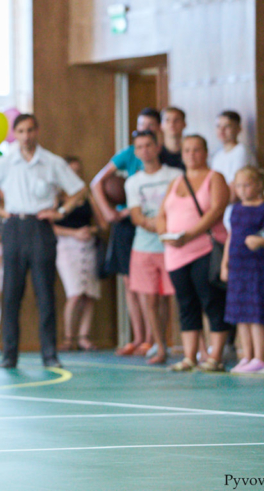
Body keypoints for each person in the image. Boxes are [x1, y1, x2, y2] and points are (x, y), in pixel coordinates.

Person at [0, 114, 87, 369]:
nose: (26, 136)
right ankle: (9, 353)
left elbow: (79, 188)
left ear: (37, 131)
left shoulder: (51, 162)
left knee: (45, 293)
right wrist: (0, 210)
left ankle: (49, 353)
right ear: (16, 134)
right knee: (11, 293)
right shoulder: (6, 162)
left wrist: (61, 211)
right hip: (14, 226)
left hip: (41, 226)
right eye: (21, 131)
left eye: (30, 130)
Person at [90, 108, 169, 357]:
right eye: (140, 127)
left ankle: (156, 339)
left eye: (150, 126)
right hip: (130, 224)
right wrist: (109, 211)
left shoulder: (168, 160)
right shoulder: (128, 153)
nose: (145, 131)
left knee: (160, 289)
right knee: (131, 283)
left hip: (160, 225)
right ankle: (139, 337)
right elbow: (97, 182)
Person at [158, 135, 231, 372]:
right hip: (175, 253)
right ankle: (190, 356)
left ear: (206, 152)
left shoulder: (215, 177)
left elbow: (217, 210)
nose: (191, 154)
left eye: (196, 150)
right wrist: (164, 234)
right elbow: (161, 214)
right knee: (186, 304)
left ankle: (215, 355)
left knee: (211, 300)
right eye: (187, 150)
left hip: (205, 249)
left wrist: (189, 235)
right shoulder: (176, 181)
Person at [124, 131, 183, 364]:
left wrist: (168, 230)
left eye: (149, 145)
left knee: (171, 298)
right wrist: (159, 227)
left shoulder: (175, 175)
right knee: (150, 299)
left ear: (158, 147)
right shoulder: (133, 182)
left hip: (172, 246)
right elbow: (136, 216)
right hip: (144, 246)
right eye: (139, 147)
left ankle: (174, 342)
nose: (145, 150)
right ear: (136, 152)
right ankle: (159, 346)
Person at [221, 167, 264, 374]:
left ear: (258, 186)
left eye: (246, 185)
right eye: (238, 185)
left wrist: (261, 240)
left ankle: (261, 357)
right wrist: (225, 263)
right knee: (240, 314)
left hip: (257, 268)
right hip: (238, 268)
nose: (242, 189)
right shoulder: (236, 209)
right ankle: (246, 355)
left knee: (256, 313)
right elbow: (231, 237)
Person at [53, 157, 100, 353]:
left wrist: (90, 231)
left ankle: (84, 337)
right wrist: (73, 233)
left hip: (88, 245)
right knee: (74, 293)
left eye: (78, 171)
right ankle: (68, 337)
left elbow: (101, 224)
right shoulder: (57, 199)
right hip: (66, 246)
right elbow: (50, 225)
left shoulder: (88, 197)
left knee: (88, 293)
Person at [212, 110, 251, 200]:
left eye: (227, 126)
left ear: (238, 128)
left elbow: (234, 190)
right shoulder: (217, 156)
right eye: (218, 126)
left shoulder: (241, 151)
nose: (222, 130)